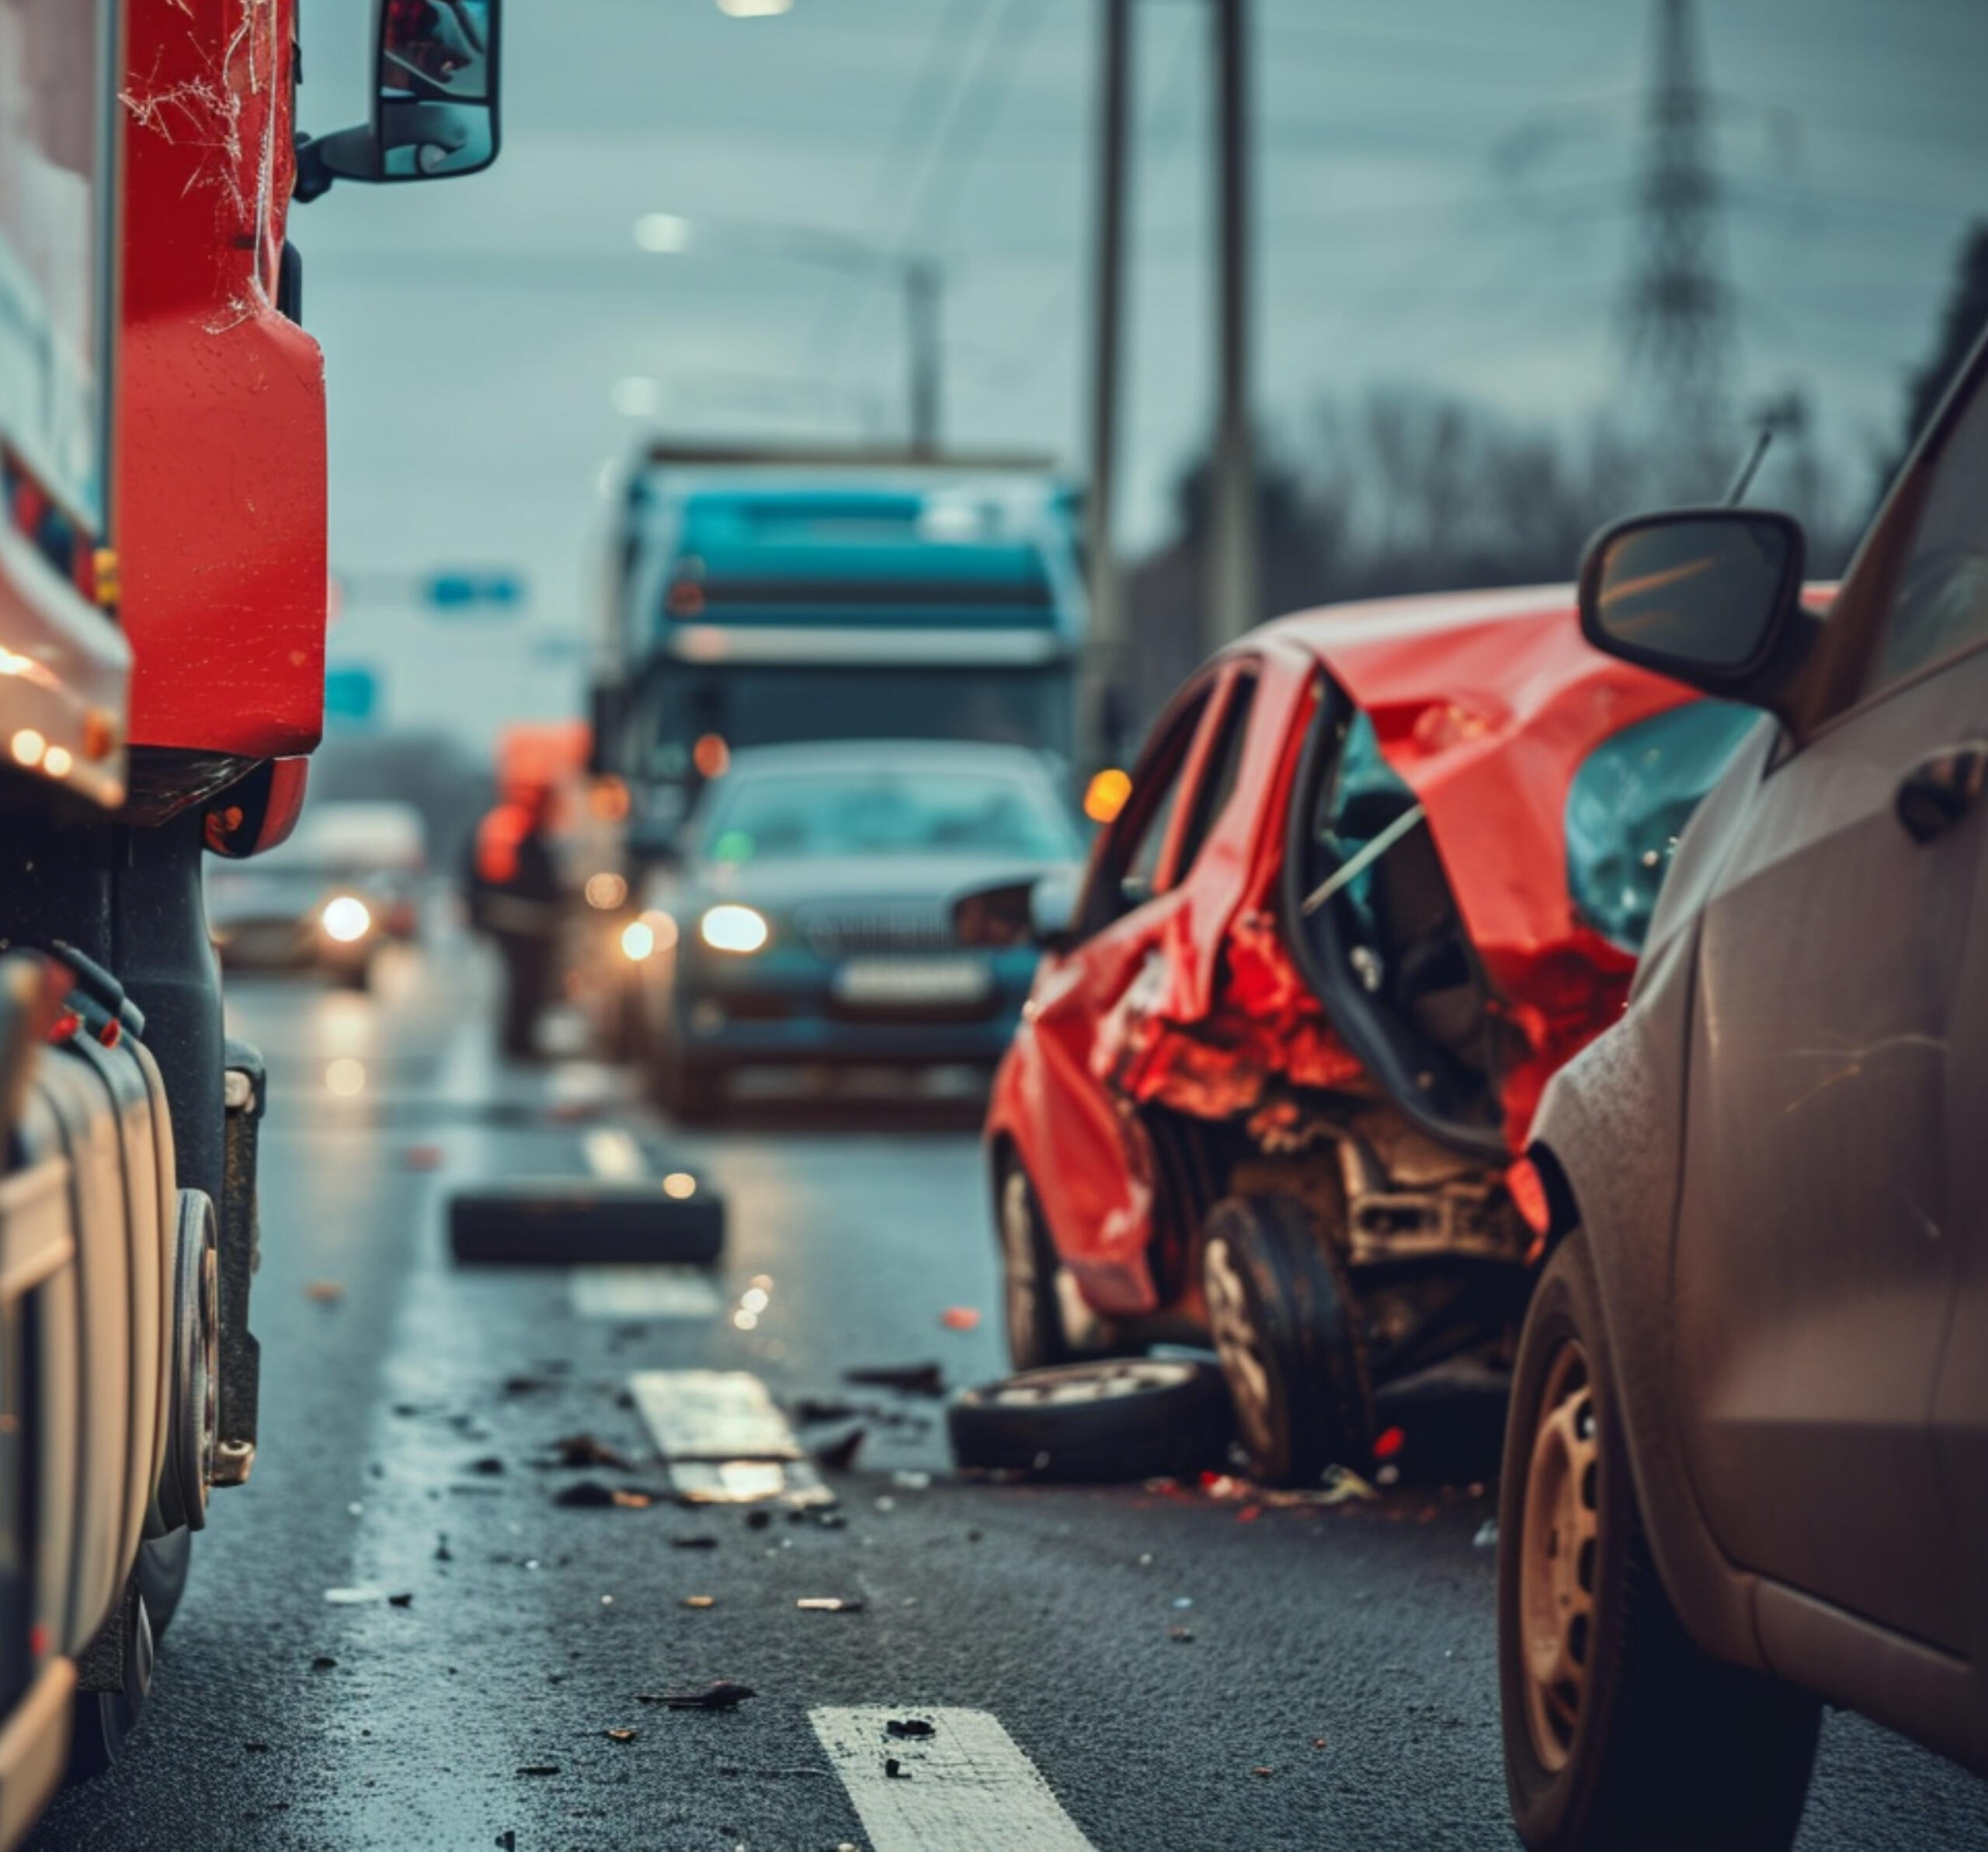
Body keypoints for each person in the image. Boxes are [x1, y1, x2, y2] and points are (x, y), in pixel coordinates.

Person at [467, 783, 561, 1060]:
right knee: (524, 988)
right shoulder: (518, 829)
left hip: (514, 920)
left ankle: (517, 1042)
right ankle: (518, 1045)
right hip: (521, 921)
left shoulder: (502, 826)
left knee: (520, 987)